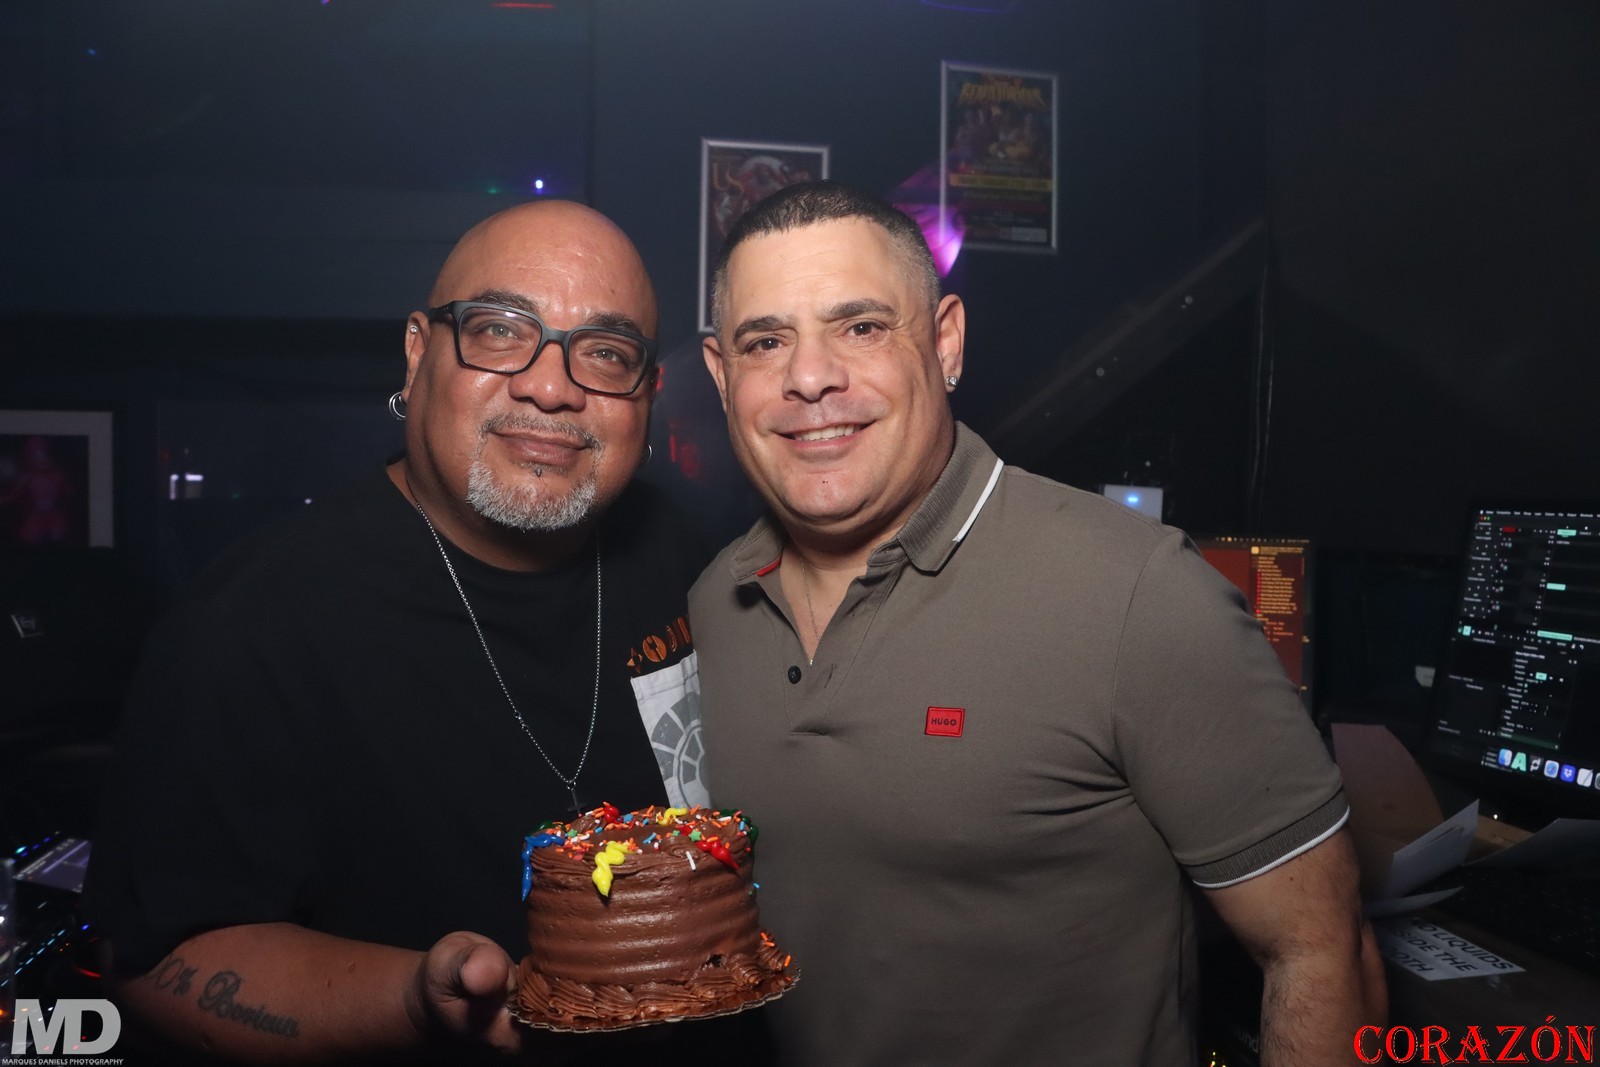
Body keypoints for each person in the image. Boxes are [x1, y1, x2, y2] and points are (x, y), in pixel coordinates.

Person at [692, 181, 1386, 1066]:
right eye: (765, 341)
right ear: (722, 375)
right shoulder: (711, 605)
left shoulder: (1138, 595)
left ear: (945, 342)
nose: (810, 376)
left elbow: (1321, 950)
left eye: (861, 326)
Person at [84, 200, 710, 1062]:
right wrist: (415, 999)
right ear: (419, 353)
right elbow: (151, 961)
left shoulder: (688, 558)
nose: (551, 386)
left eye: (605, 352)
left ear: (647, 393)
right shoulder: (252, 621)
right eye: (500, 331)